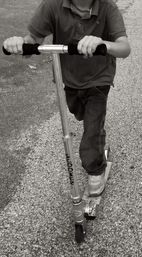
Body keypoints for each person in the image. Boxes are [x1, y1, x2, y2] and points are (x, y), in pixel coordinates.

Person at [3, 0, 131, 196]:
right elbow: (33, 40)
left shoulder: (108, 7)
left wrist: (102, 42)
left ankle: (95, 168)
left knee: (91, 127)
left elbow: (124, 48)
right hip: (68, 78)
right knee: (81, 114)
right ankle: (97, 136)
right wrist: (20, 44)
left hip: (99, 78)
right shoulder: (52, 6)